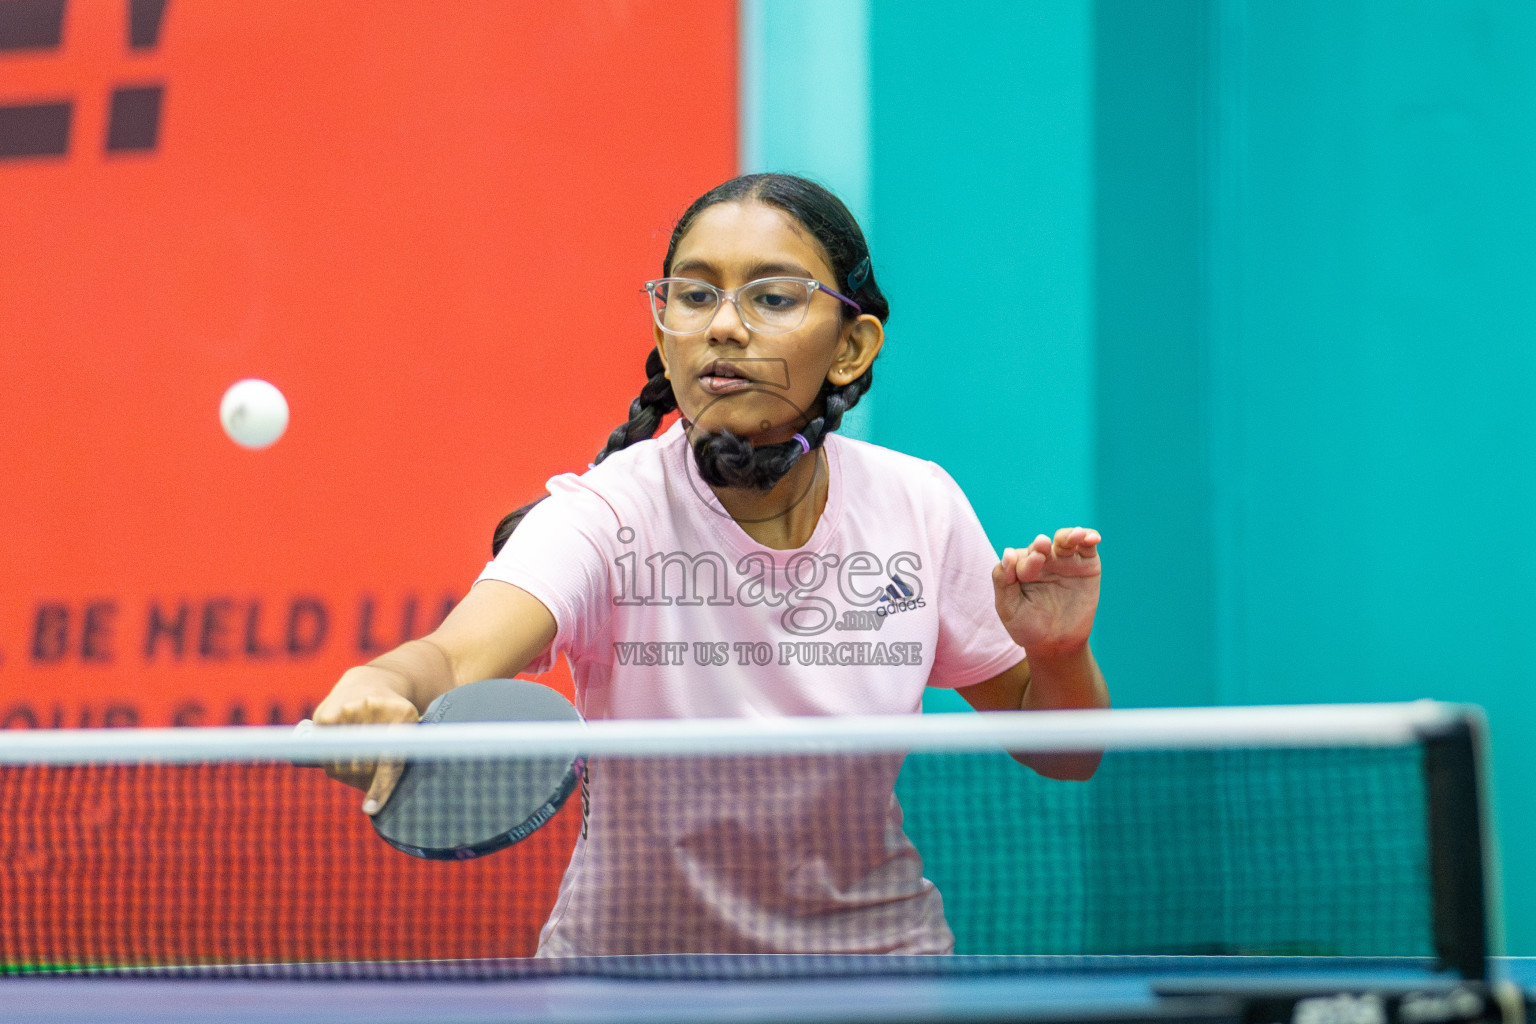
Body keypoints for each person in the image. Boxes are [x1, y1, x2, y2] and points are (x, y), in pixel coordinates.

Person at [314, 173, 1109, 955]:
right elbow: (454, 655)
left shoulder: (917, 506)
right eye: (694, 296)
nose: (724, 325)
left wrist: (1058, 653)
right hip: (631, 984)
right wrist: (383, 685)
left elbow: (1067, 753)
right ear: (664, 331)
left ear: (852, 345)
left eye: (772, 297)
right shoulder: (606, 515)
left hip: (876, 974)